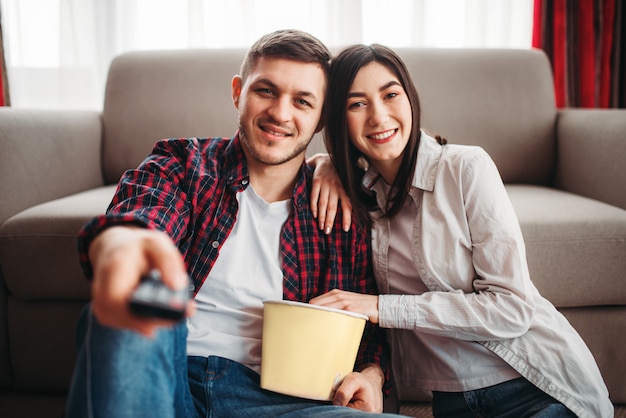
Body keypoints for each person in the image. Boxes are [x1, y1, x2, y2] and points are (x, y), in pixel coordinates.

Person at [64, 31, 400, 418]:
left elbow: (366, 325)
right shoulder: (183, 164)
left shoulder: (341, 206)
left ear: (321, 117)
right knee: (135, 303)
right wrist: (123, 248)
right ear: (238, 92)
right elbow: (141, 220)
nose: (280, 113)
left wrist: (372, 377)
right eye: (266, 91)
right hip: (166, 381)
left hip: (281, 403)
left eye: (302, 101)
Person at [310, 44, 614, 418]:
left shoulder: (466, 168)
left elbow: (513, 309)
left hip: (531, 383)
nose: (378, 116)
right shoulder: (358, 195)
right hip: (452, 402)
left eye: (390, 95)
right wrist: (325, 164)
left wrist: (380, 307)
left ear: (410, 98)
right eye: (357, 104)